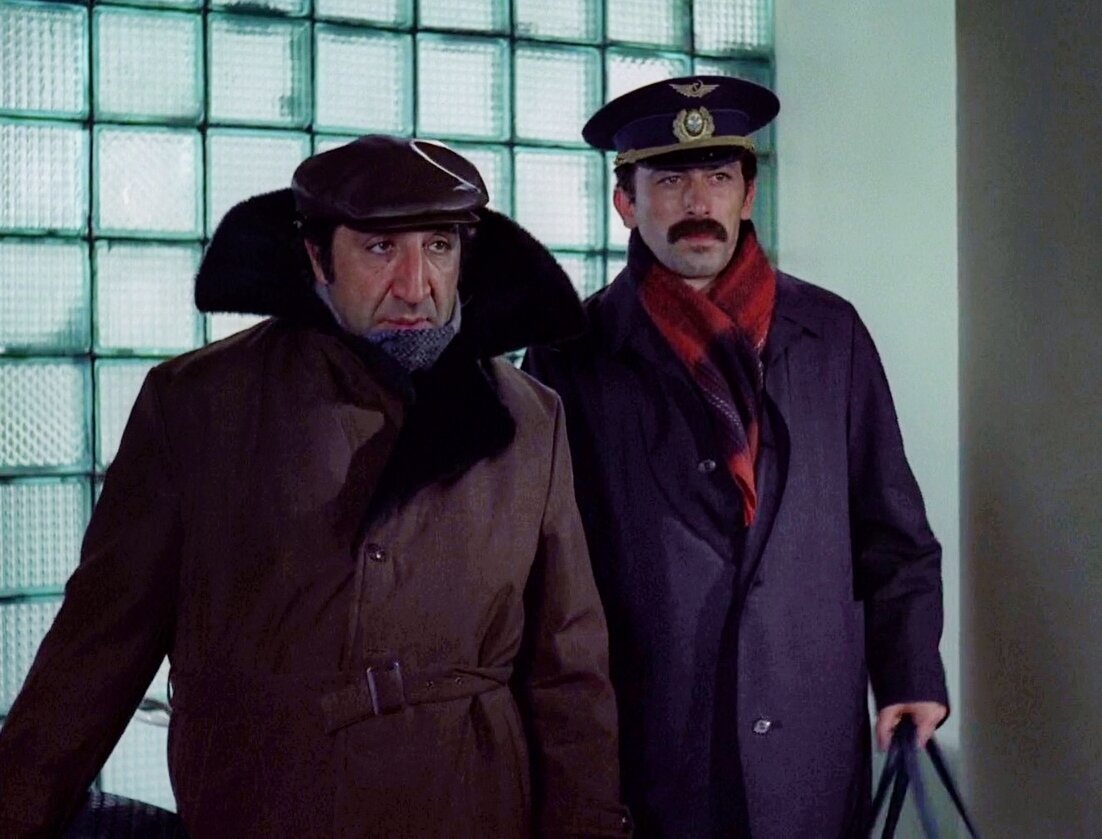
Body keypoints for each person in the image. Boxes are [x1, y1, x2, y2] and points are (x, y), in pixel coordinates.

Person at [0, 135, 630, 838]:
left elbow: (569, 673)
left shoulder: (530, 420)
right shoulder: (199, 405)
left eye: (439, 246)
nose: (416, 285)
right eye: (381, 249)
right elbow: (96, 649)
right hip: (267, 810)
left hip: (469, 809)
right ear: (316, 257)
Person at [523, 76, 949, 837]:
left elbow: (892, 529)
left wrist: (910, 673)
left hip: (811, 746)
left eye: (719, 177)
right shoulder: (572, 356)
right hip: (653, 748)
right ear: (625, 203)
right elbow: (547, 571)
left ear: (748, 195)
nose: (699, 202)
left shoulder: (831, 334)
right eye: (670, 181)